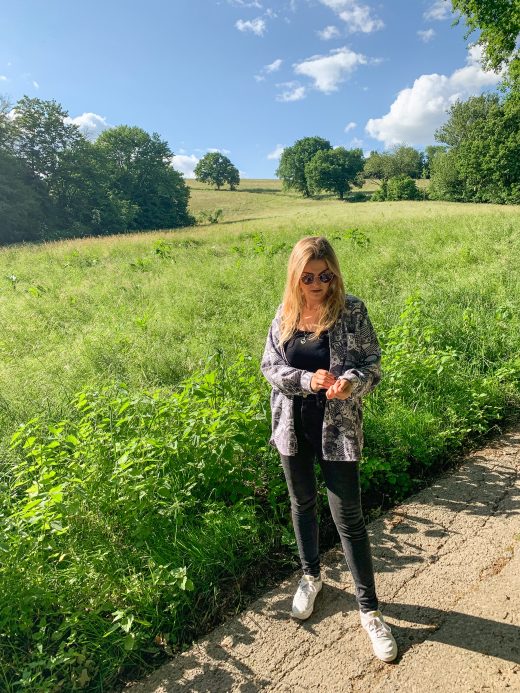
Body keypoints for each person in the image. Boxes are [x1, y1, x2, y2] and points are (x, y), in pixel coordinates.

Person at [260, 236, 397, 663]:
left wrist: (351, 382)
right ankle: (311, 576)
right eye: (308, 276)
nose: (318, 283)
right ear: (295, 277)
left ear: (334, 274)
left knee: (349, 518)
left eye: (325, 275)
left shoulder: (351, 310)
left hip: (338, 431)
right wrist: (307, 380)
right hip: (293, 429)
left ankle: (370, 611)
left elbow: (373, 362)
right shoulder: (285, 313)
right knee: (302, 504)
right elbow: (270, 367)